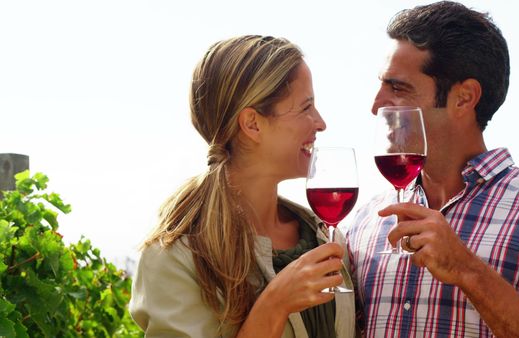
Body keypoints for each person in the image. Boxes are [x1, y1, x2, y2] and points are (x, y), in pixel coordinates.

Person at [346, 2, 519, 337]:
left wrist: (467, 270)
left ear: (464, 97)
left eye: (398, 88)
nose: (376, 105)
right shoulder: (366, 220)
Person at [129, 35, 356, 338]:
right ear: (252, 124)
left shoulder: (324, 236)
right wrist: (274, 305)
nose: (320, 122)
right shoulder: (175, 257)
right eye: (306, 108)